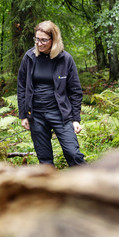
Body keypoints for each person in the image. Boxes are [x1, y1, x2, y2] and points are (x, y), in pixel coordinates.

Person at [17, 20, 86, 167]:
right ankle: (50, 188)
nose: (39, 44)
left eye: (43, 40)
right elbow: (22, 87)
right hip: (36, 114)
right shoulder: (29, 58)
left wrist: (75, 119)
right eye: (37, 39)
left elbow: (75, 91)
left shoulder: (65, 59)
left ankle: (89, 186)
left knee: (73, 153)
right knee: (45, 159)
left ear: (53, 40)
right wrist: (23, 115)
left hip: (60, 113)